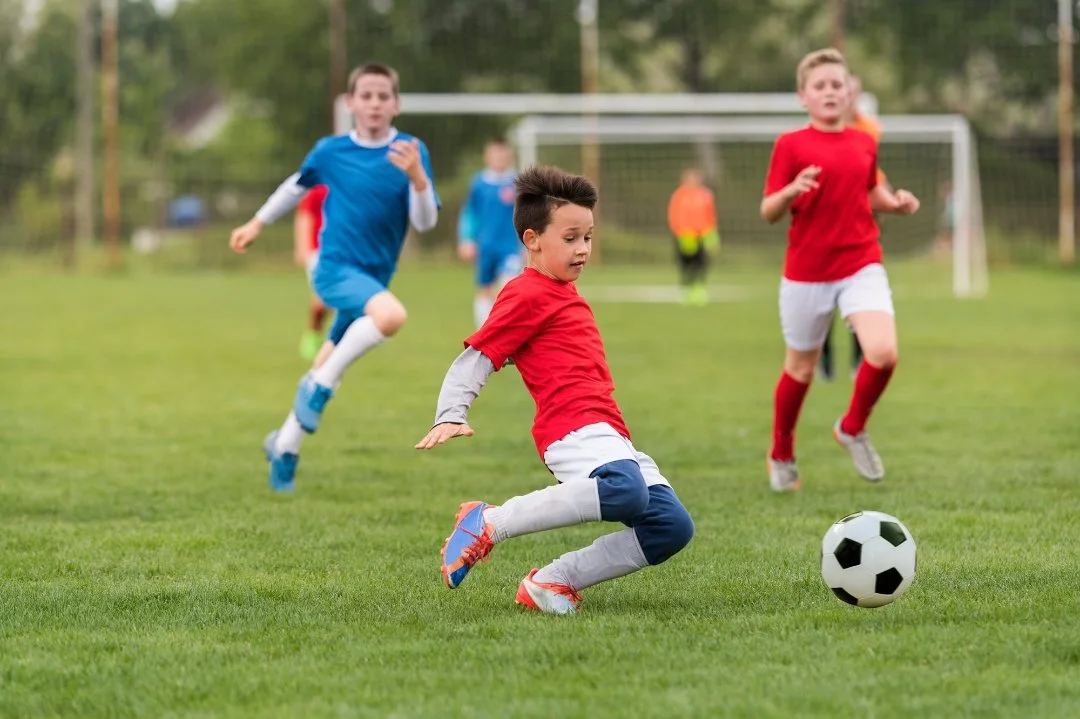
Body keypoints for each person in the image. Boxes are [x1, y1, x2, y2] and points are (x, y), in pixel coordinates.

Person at [416, 165, 694, 614]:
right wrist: (451, 412)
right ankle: (488, 522)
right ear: (532, 240)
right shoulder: (526, 292)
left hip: (607, 431)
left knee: (670, 525)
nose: (583, 249)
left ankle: (552, 581)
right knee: (624, 491)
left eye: (587, 237)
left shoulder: (563, 292)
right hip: (570, 427)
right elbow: (479, 356)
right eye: (570, 239)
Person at [229, 62, 440, 492]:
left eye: (384, 96)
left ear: (395, 104)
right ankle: (319, 389)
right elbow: (295, 185)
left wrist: (418, 178)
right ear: (351, 103)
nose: (375, 103)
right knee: (391, 317)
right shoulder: (330, 151)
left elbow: (425, 223)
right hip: (334, 269)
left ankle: (283, 447)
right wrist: (256, 223)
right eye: (366, 95)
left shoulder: (411, 151)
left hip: (375, 277)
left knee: (327, 358)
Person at [760, 48, 920, 492]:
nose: (830, 92)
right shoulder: (789, 145)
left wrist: (897, 203)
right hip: (807, 272)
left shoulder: (864, 141)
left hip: (861, 263)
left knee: (883, 351)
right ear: (803, 96)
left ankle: (851, 427)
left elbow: (872, 190)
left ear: (850, 93)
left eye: (837, 84)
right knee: (801, 370)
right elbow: (769, 210)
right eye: (820, 86)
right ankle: (782, 452)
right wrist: (793, 189)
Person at [818, 74, 883, 381]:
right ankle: (825, 360)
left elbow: (871, 174)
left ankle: (859, 359)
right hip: (827, 224)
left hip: (859, 220)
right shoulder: (819, 131)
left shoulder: (867, 130)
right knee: (824, 298)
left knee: (861, 295)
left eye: (851, 91)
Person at [457, 139, 523, 328]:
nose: (500, 159)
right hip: (485, 246)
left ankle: (504, 334)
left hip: (510, 247)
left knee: (506, 288)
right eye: (496, 154)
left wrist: (526, 245)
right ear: (487, 157)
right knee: (484, 290)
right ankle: (484, 335)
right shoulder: (478, 183)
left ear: (510, 156)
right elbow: (469, 213)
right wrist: (466, 240)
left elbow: (526, 216)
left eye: (504, 155)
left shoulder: (517, 183)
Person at [666, 168, 719, 306]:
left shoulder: (706, 195)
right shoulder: (680, 195)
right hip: (685, 236)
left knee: (701, 263)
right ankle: (686, 288)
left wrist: (711, 234)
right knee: (685, 263)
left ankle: (698, 288)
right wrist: (679, 232)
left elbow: (710, 215)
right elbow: (674, 215)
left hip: (701, 235)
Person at [294, 185, 329, 361]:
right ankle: (313, 333)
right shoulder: (319, 188)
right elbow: (305, 215)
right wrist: (302, 247)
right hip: (319, 252)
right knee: (321, 302)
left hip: (344, 251)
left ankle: (337, 342)